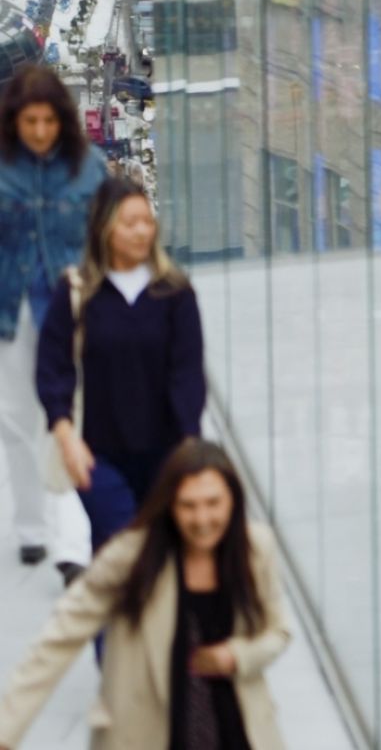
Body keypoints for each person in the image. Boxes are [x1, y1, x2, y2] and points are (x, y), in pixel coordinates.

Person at [0, 439, 293, 749]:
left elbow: (278, 631)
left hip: (235, 729)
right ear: (169, 505)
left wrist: (236, 656)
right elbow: (59, 638)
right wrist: (6, 729)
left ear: (233, 501)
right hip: (147, 732)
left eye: (213, 503)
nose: (202, 520)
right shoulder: (130, 557)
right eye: (188, 505)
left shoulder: (255, 548)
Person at [39, 176, 207, 553]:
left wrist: (190, 448)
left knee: (159, 554)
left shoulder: (175, 293)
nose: (141, 232)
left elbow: (188, 376)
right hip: (97, 456)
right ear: (104, 227)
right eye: (130, 223)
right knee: (121, 548)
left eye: (147, 222)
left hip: (165, 455)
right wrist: (67, 439)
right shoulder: (77, 292)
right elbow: (53, 369)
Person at [0, 66, 105, 583]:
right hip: (11, 310)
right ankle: (31, 529)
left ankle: (72, 542)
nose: (39, 132)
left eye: (48, 121)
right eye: (29, 121)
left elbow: (110, 241)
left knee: (68, 417)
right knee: (17, 421)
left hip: (72, 307)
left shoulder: (90, 171)